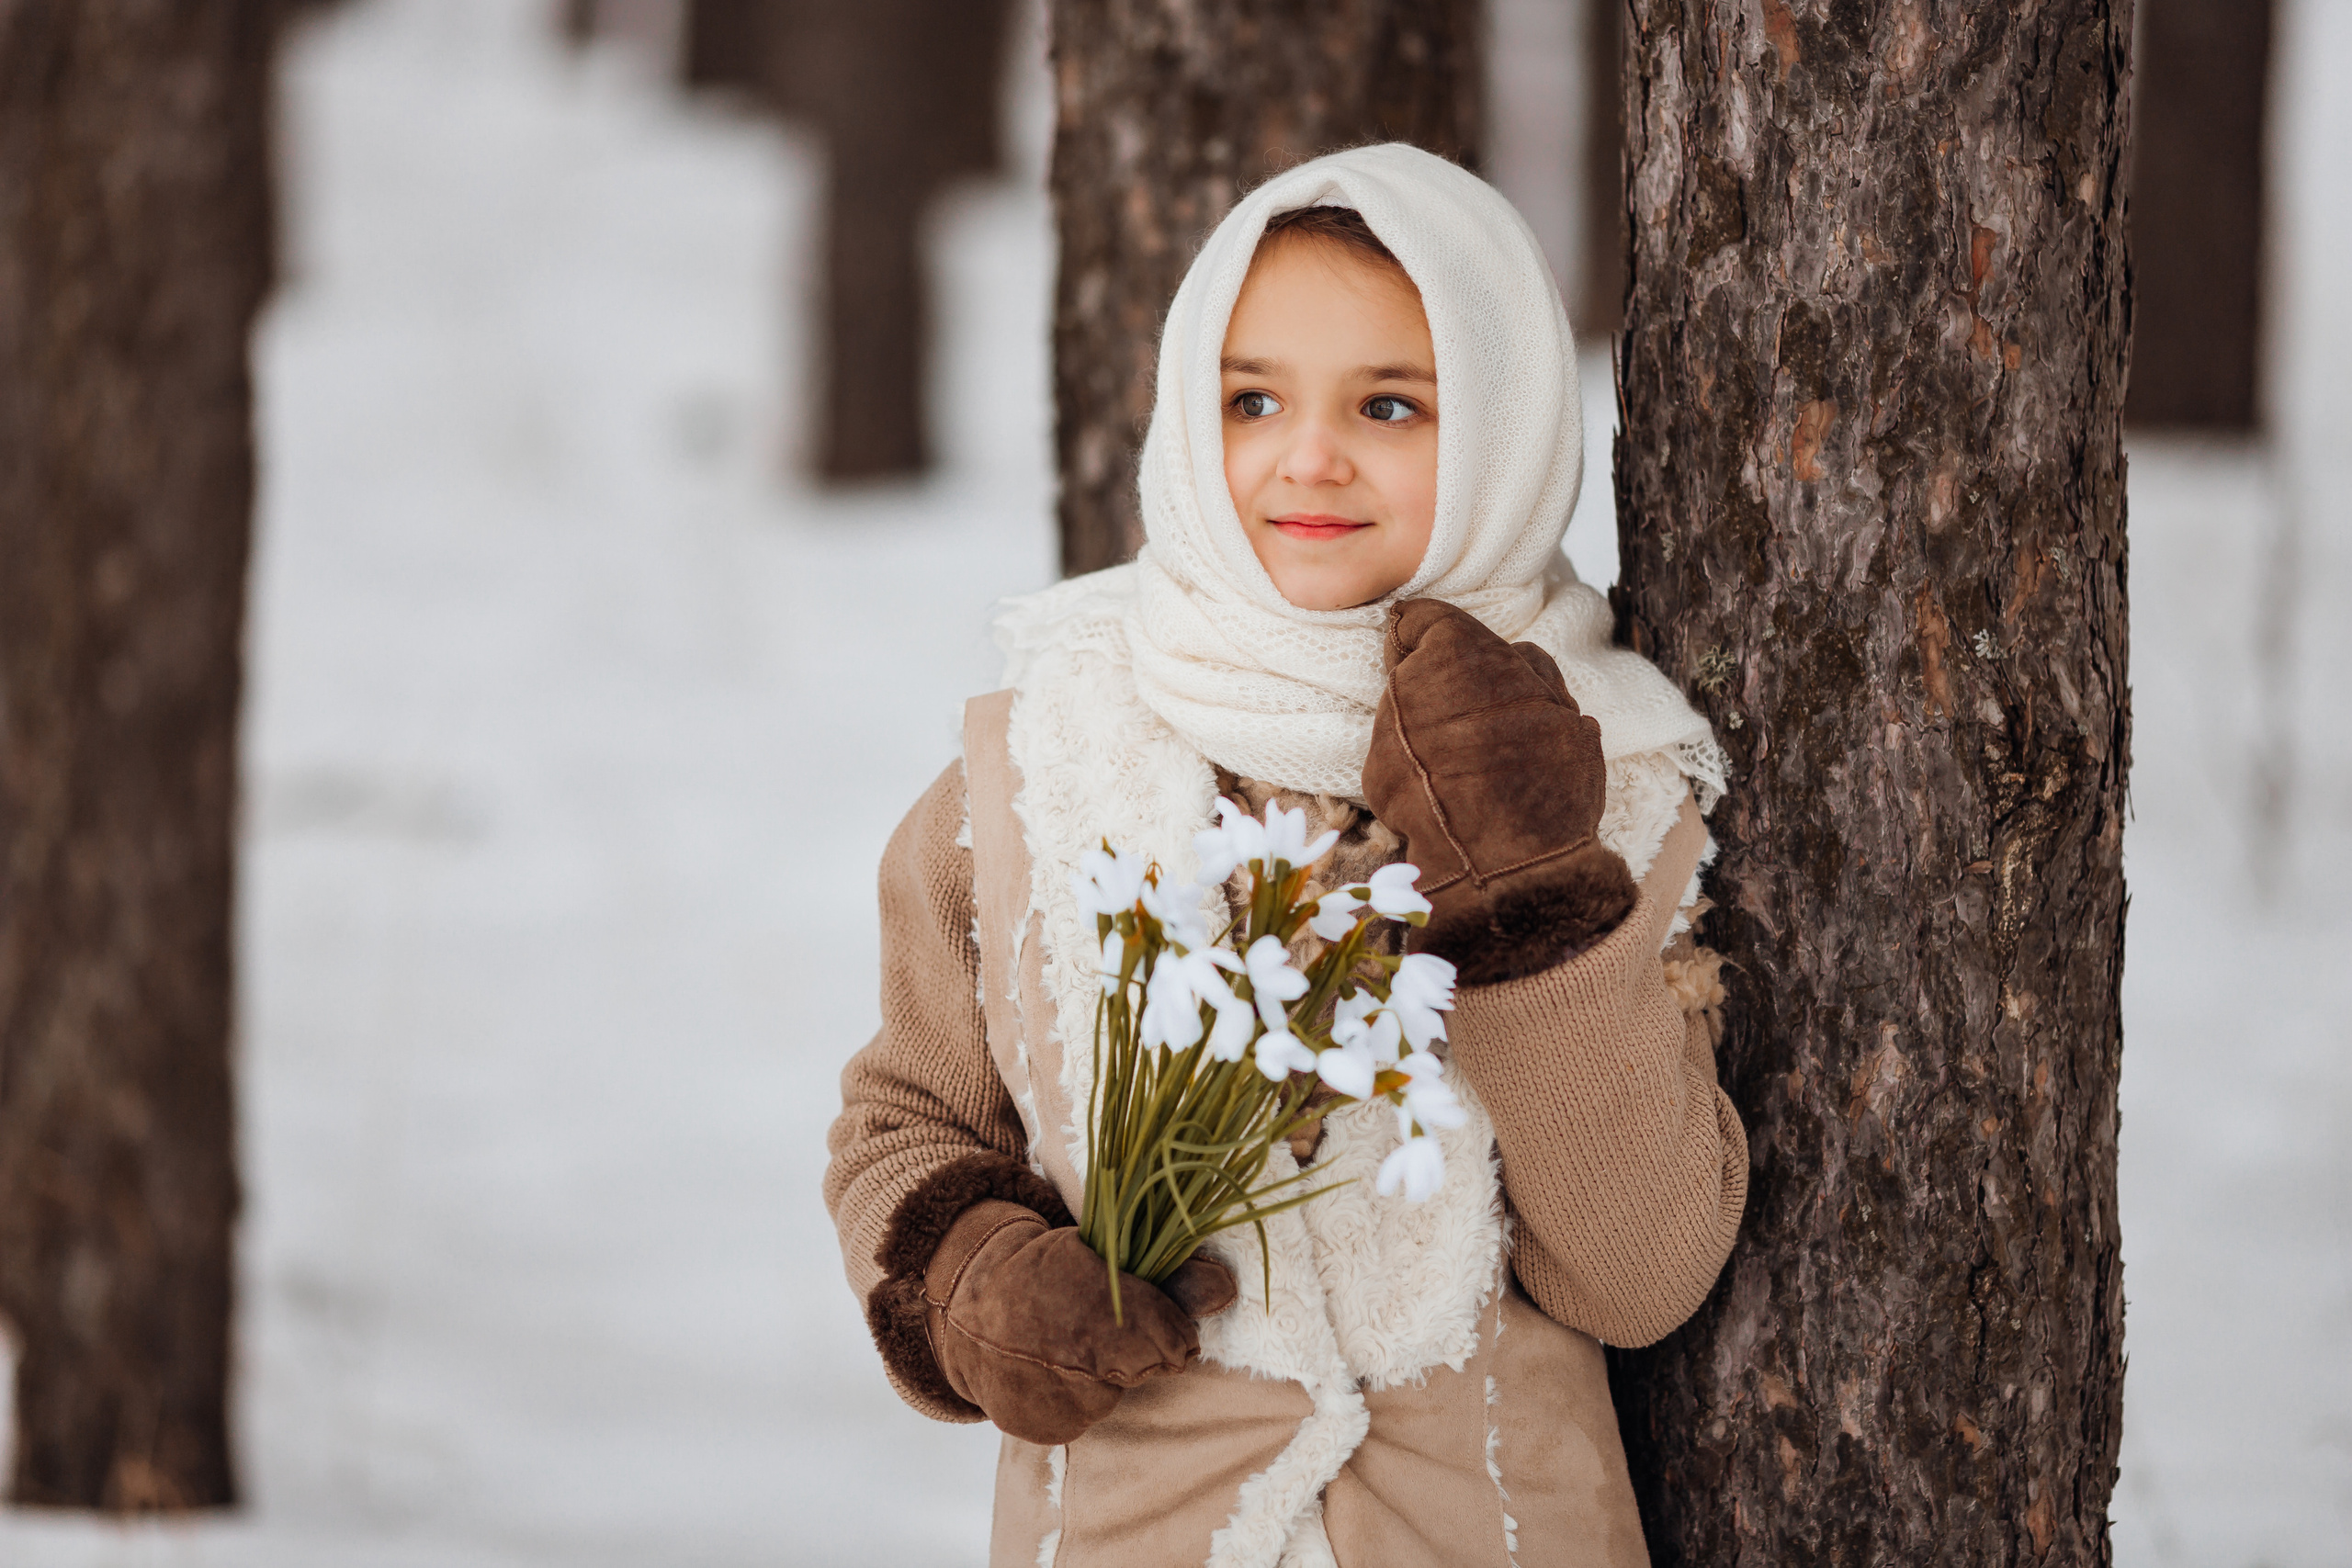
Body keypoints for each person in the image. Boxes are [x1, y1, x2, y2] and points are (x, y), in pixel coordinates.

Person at [823, 142, 1747, 1568]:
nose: (1307, 456)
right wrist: (971, 1280)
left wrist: (1529, 908)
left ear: (1503, 427)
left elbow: (1638, 1275)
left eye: (1390, 404)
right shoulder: (1044, 766)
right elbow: (906, 1120)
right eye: (1251, 399)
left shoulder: (1606, 781)